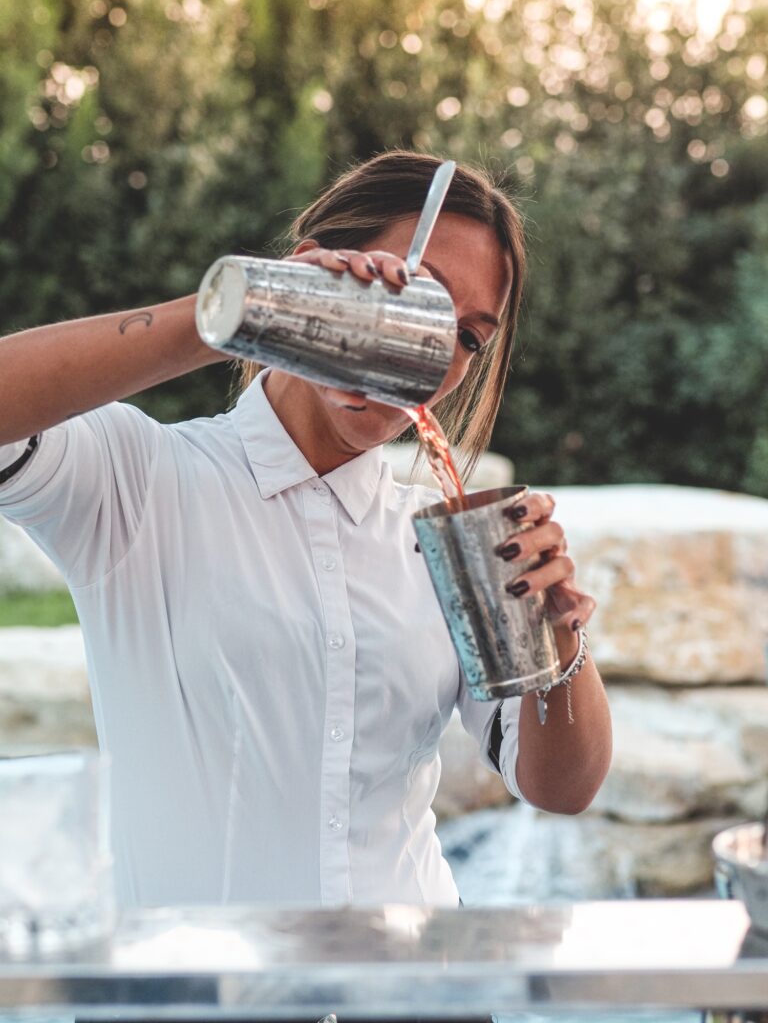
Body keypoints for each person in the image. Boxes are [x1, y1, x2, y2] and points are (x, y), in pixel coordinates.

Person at [0, 151, 611, 911]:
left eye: (466, 337)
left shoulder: (443, 543)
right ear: (317, 270)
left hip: (421, 971)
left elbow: (562, 788)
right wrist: (250, 307)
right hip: (199, 976)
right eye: (416, 300)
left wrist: (558, 643)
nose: (430, 351)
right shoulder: (138, 481)